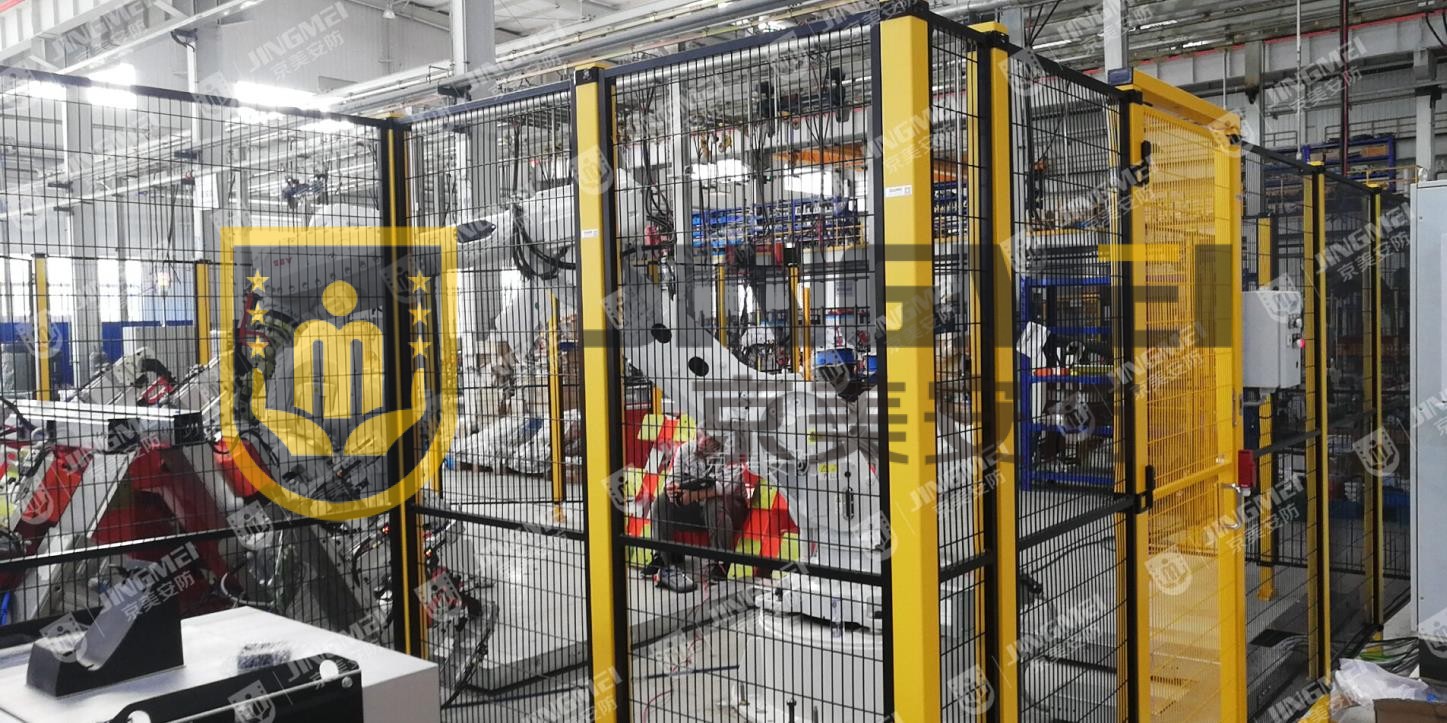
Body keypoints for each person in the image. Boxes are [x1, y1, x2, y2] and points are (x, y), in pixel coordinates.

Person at [640, 434, 750, 593]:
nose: (701, 441)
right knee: (662, 501)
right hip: (698, 508)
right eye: (699, 435)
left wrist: (691, 496)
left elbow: (724, 488)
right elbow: (671, 481)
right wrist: (674, 493)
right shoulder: (684, 450)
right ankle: (663, 558)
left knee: (714, 503)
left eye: (708, 438)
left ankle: (721, 562)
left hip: (731, 507)